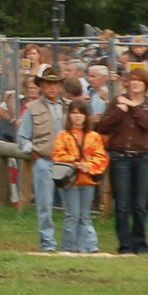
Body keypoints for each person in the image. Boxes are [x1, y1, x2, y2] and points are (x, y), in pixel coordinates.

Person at [94, 72, 148, 254]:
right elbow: (103, 126)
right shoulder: (117, 101)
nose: (135, 83)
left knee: (140, 205)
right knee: (122, 205)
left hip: (142, 158)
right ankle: (125, 245)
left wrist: (132, 107)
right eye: (132, 80)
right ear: (127, 83)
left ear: (146, 84)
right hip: (120, 157)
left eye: (139, 80)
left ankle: (140, 244)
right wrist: (119, 111)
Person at [18, 66, 69, 252]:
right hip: (44, 160)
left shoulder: (69, 107)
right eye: (48, 84)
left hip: (68, 162)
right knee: (45, 204)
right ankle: (48, 242)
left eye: (55, 84)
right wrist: (35, 155)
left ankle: (70, 242)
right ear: (42, 86)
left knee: (71, 205)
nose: (52, 88)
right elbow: (22, 137)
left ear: (60, 86)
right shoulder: (32, 108)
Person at [51, 99, 108, 254]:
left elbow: (101, 157)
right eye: (74, 113)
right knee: (72, 214)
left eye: (81, 113)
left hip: (88, 180)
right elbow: (57, 154)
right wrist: (75, 162)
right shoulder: (63, 136)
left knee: (85, 215)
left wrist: (88, 166)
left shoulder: (94, 136)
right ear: (69, 115)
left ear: (86, 116)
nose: (77, 116)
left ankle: (89, 246)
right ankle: (69, 246)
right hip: (70, 180)